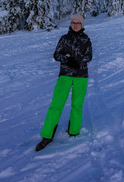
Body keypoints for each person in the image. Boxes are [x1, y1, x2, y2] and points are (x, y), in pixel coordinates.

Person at [36, 14, 93, 152]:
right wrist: (67, 59)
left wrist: (78, 61)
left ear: (82, 25)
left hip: (81, 76)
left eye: (78, 22)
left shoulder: (86, 40)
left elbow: (89, 56)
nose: (75, 25)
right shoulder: (64, 38)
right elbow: (56, 54)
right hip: (65, 76)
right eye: (73, 22)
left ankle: (74, 131)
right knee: (56, 105)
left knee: (77, 105)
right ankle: (47, 136)